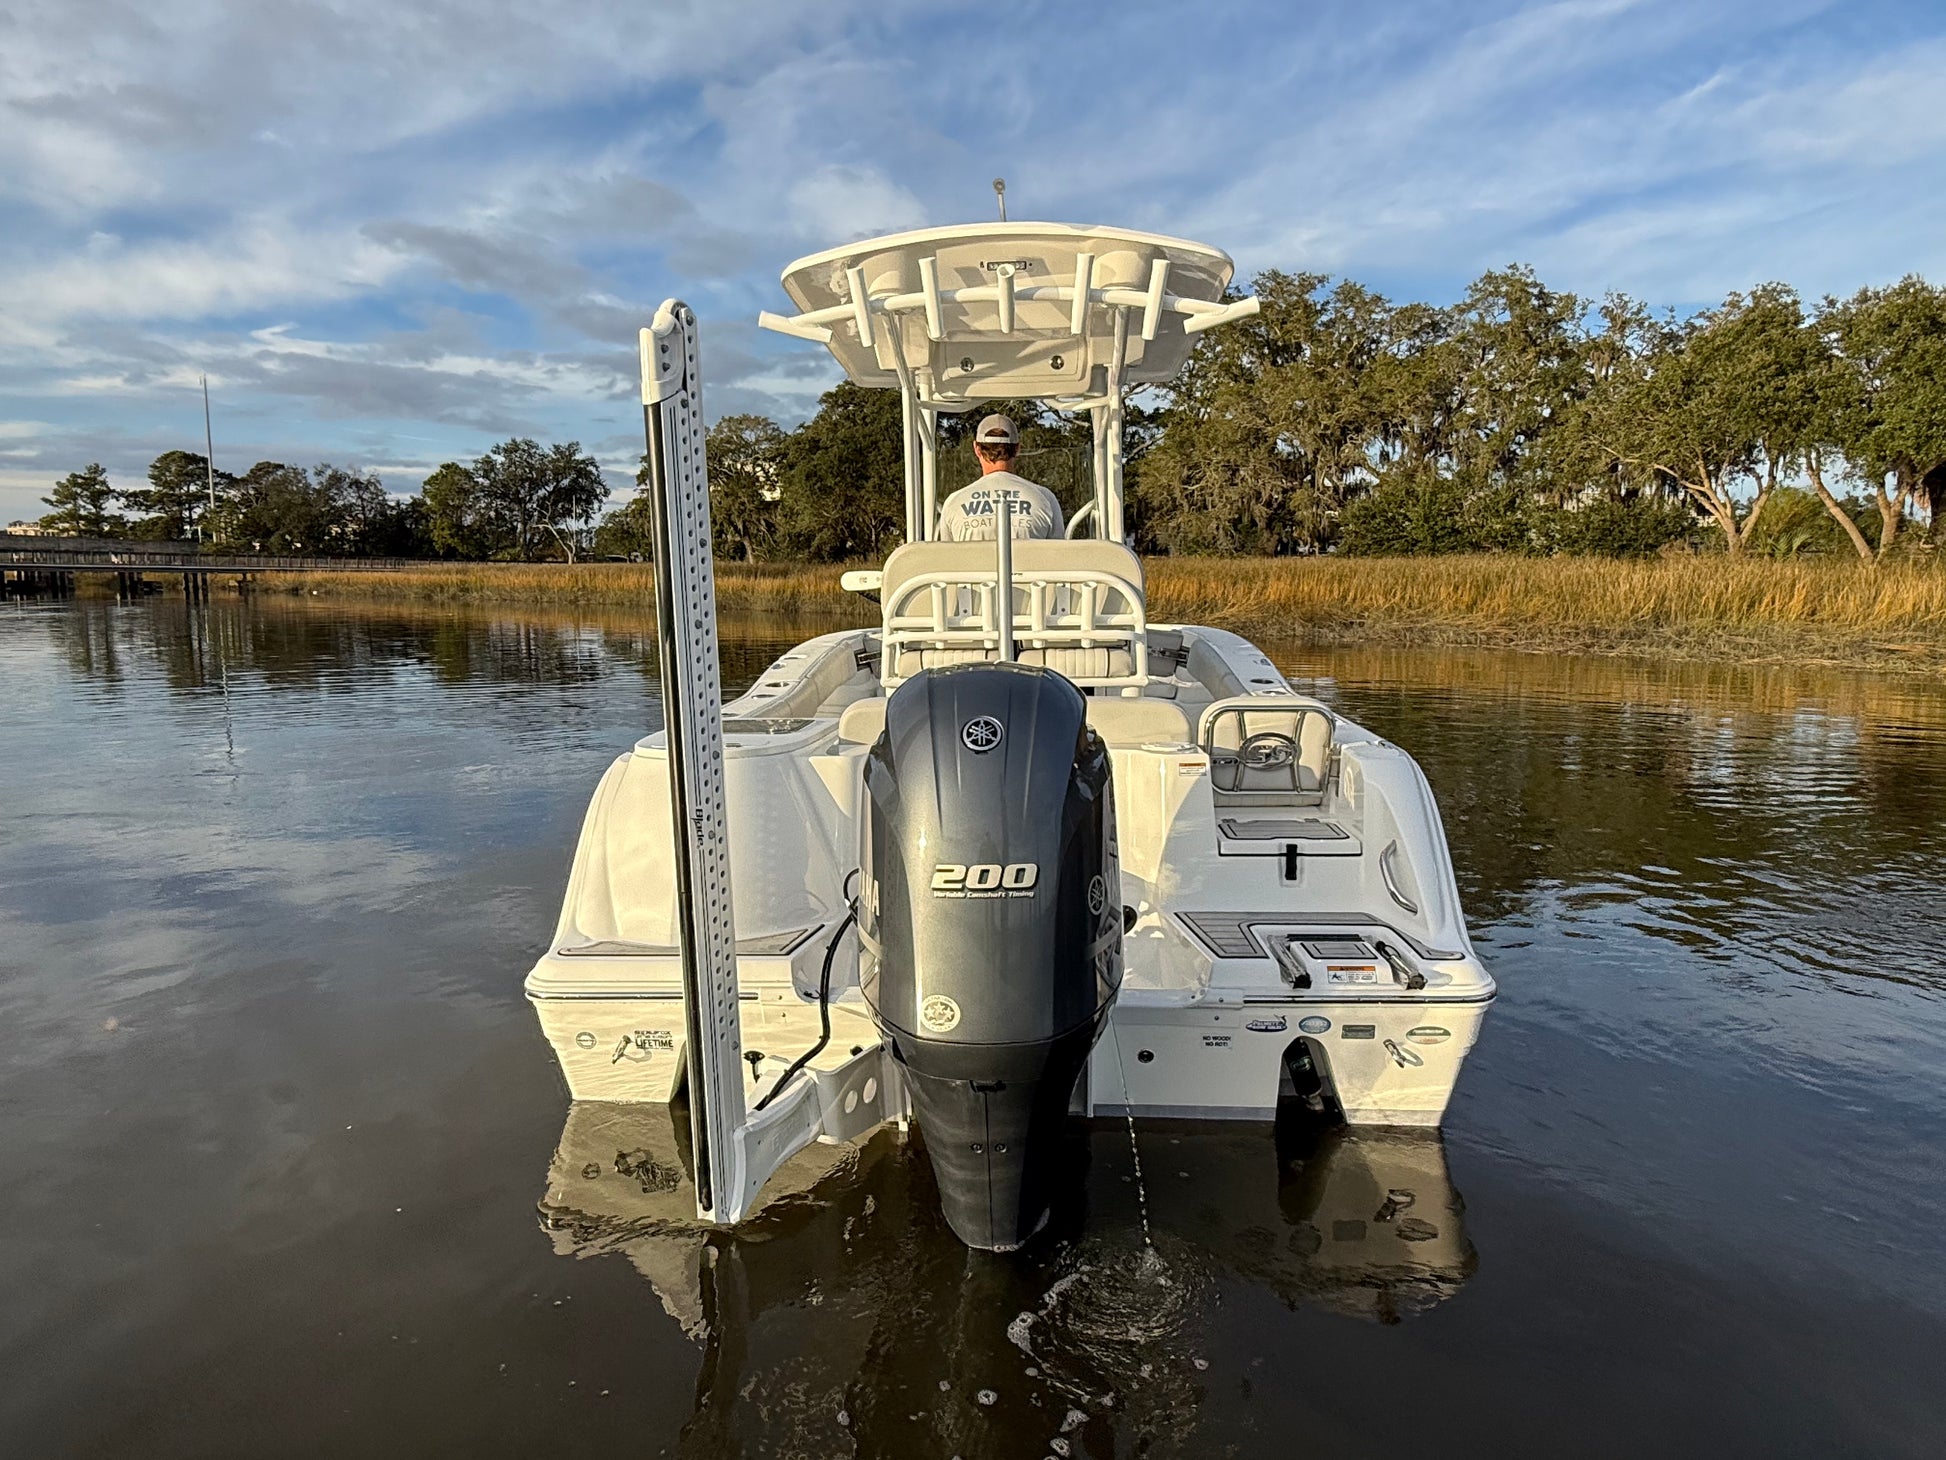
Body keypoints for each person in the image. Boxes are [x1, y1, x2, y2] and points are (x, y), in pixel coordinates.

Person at [934, 415, 1064, 541]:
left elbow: (947, 554)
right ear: (1017, 448)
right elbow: (1058, 553)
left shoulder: (954, 502)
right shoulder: (1045, 499)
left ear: (977, 449)